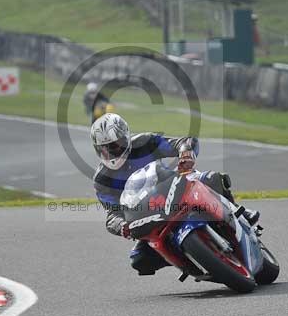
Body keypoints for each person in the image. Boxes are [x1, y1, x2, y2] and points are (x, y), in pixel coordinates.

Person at [90, 113, 260, 276]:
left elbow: (182, 142)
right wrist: (122, 226)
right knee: (140, 260)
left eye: (115, 145)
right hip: (147, 215)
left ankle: (239, 211)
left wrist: (185, 153)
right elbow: (112, 213)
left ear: (126, 137)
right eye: (104, 149)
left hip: (173, 187)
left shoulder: (144, 142)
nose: (111, 152)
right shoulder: (101, 180)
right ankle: (190, 259)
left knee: (212, 178)